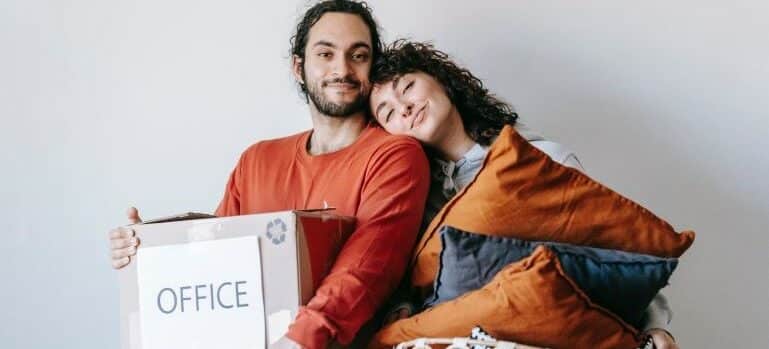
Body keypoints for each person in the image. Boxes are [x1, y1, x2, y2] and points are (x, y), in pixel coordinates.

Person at [108, 2, 430, 348]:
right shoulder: (256, 161)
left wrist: (299, 340)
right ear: (298, 67)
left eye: (358, 55)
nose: (342, 69)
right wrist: (151, 249)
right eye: (325, 54)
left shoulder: (396, 156)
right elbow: (215, 259)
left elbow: (366, 268)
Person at [368, 40, 679, 349]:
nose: (404, 108)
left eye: (407, 87)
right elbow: (405, 287)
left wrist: (656, 327)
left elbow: (615, 253)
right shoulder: (413, 199)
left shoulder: (545, 160)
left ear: (442, 81)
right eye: (388, 113)